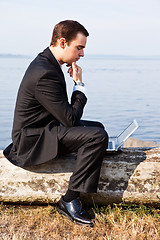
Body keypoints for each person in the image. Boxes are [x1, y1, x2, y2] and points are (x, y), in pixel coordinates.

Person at [3, 20, 108, 226]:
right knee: (97, 137)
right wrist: (79, 86)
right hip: (32, 141)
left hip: (44, 129)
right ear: (62, 42)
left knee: (98, 127)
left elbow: (65, 117)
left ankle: (83, 160)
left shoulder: (49, 63)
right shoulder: (45, 72)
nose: (82, 54)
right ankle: (69, 200)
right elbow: (69, 119)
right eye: (79, 47)